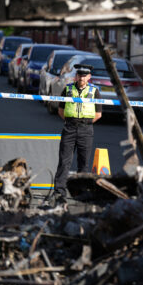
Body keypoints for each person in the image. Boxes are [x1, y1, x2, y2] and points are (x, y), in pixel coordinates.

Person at [53, 64, 102, 205]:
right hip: (69, 128)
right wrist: (71, 121)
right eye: (79, 75)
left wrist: (84, 123)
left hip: (86, 129)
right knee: (64, 161)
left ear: (89, 77)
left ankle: (81, 193)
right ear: (76, 76)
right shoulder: (67, 89)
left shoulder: (94, 91)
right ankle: (59, 193)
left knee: (83, 163)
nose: (82, 78)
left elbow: (98, 114)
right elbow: (60, 111)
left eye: (84, 75)